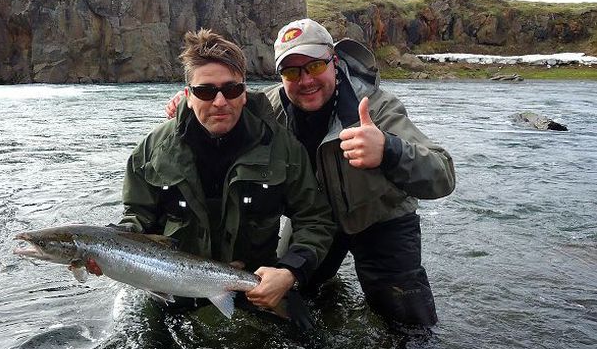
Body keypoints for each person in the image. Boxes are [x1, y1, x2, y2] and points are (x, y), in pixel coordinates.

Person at [167, 19, 456, 327]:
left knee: (408, 322)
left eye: (315, 66)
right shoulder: (268, 108)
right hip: (313, 220)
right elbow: (220, 102)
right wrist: (185, 105)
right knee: (285, 295)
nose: (305, 80)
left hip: (382, 220)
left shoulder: (378, 107)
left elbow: (443, 174)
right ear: (280, 76)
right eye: (291, 71)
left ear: (334, 61)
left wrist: (389, 150)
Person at [119, 28, 335, 317]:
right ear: (188, 95)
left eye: (231, 89)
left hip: (255, 288)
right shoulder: (151, 152)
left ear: (244, 93)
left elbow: (315, 219)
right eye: (206, 91)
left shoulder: (281, 147)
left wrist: (289, 272)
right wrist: (107, 250)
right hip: (174, 292)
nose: (220, 101)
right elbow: (136, 219)